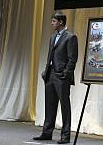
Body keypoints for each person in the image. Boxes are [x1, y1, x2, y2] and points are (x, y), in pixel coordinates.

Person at [34, 13, 78, 144]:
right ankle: (47, 133)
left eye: (53, 21)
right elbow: (51, 56)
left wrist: (66, 73)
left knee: (65, 106)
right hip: (50, 75)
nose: (52, 23)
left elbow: (72, 58)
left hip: (61, 77)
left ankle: (65, 136)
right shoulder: (53, 37)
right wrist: (46, 71)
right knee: (50, 105)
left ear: (60, 22)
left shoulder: (71, 37)